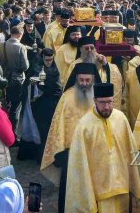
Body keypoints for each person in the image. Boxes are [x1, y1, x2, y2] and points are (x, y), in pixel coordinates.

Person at [66, 82, 140, 213]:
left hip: (122, 188)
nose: (107, 107)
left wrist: (135, 183)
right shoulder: (84, 126)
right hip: (100, 192)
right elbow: (79, 165)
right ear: (94, 101)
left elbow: (131, 152)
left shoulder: (121, 119)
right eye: (102, 102)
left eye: (110, 102)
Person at [40, 63, 98, 213]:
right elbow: (57, 126)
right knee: (69, 193)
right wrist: (60, 153)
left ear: (93, 79)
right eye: (81, 80)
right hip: (71, 155)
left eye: (87, 80)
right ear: (76, 79)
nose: (84, 84)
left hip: (95, 152)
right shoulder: (67, 97)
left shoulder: (99, 99)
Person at [72, 36, 124, 113]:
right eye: (86, 48)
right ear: (81, 50)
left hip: (103, 105)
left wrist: (105, 64)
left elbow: (115, 76)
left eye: (92, 48)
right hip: (83, 105)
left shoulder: (100, 61)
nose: (89, 50)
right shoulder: (75, 65)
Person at [3, 24, 29, 130]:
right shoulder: (21, 47)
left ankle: (5, 128)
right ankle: (13, 133)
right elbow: (25, 66)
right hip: (17, 79)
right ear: (20, 34)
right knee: (16, 107)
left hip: (5, 79)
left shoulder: (3, 44)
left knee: (7, 105)